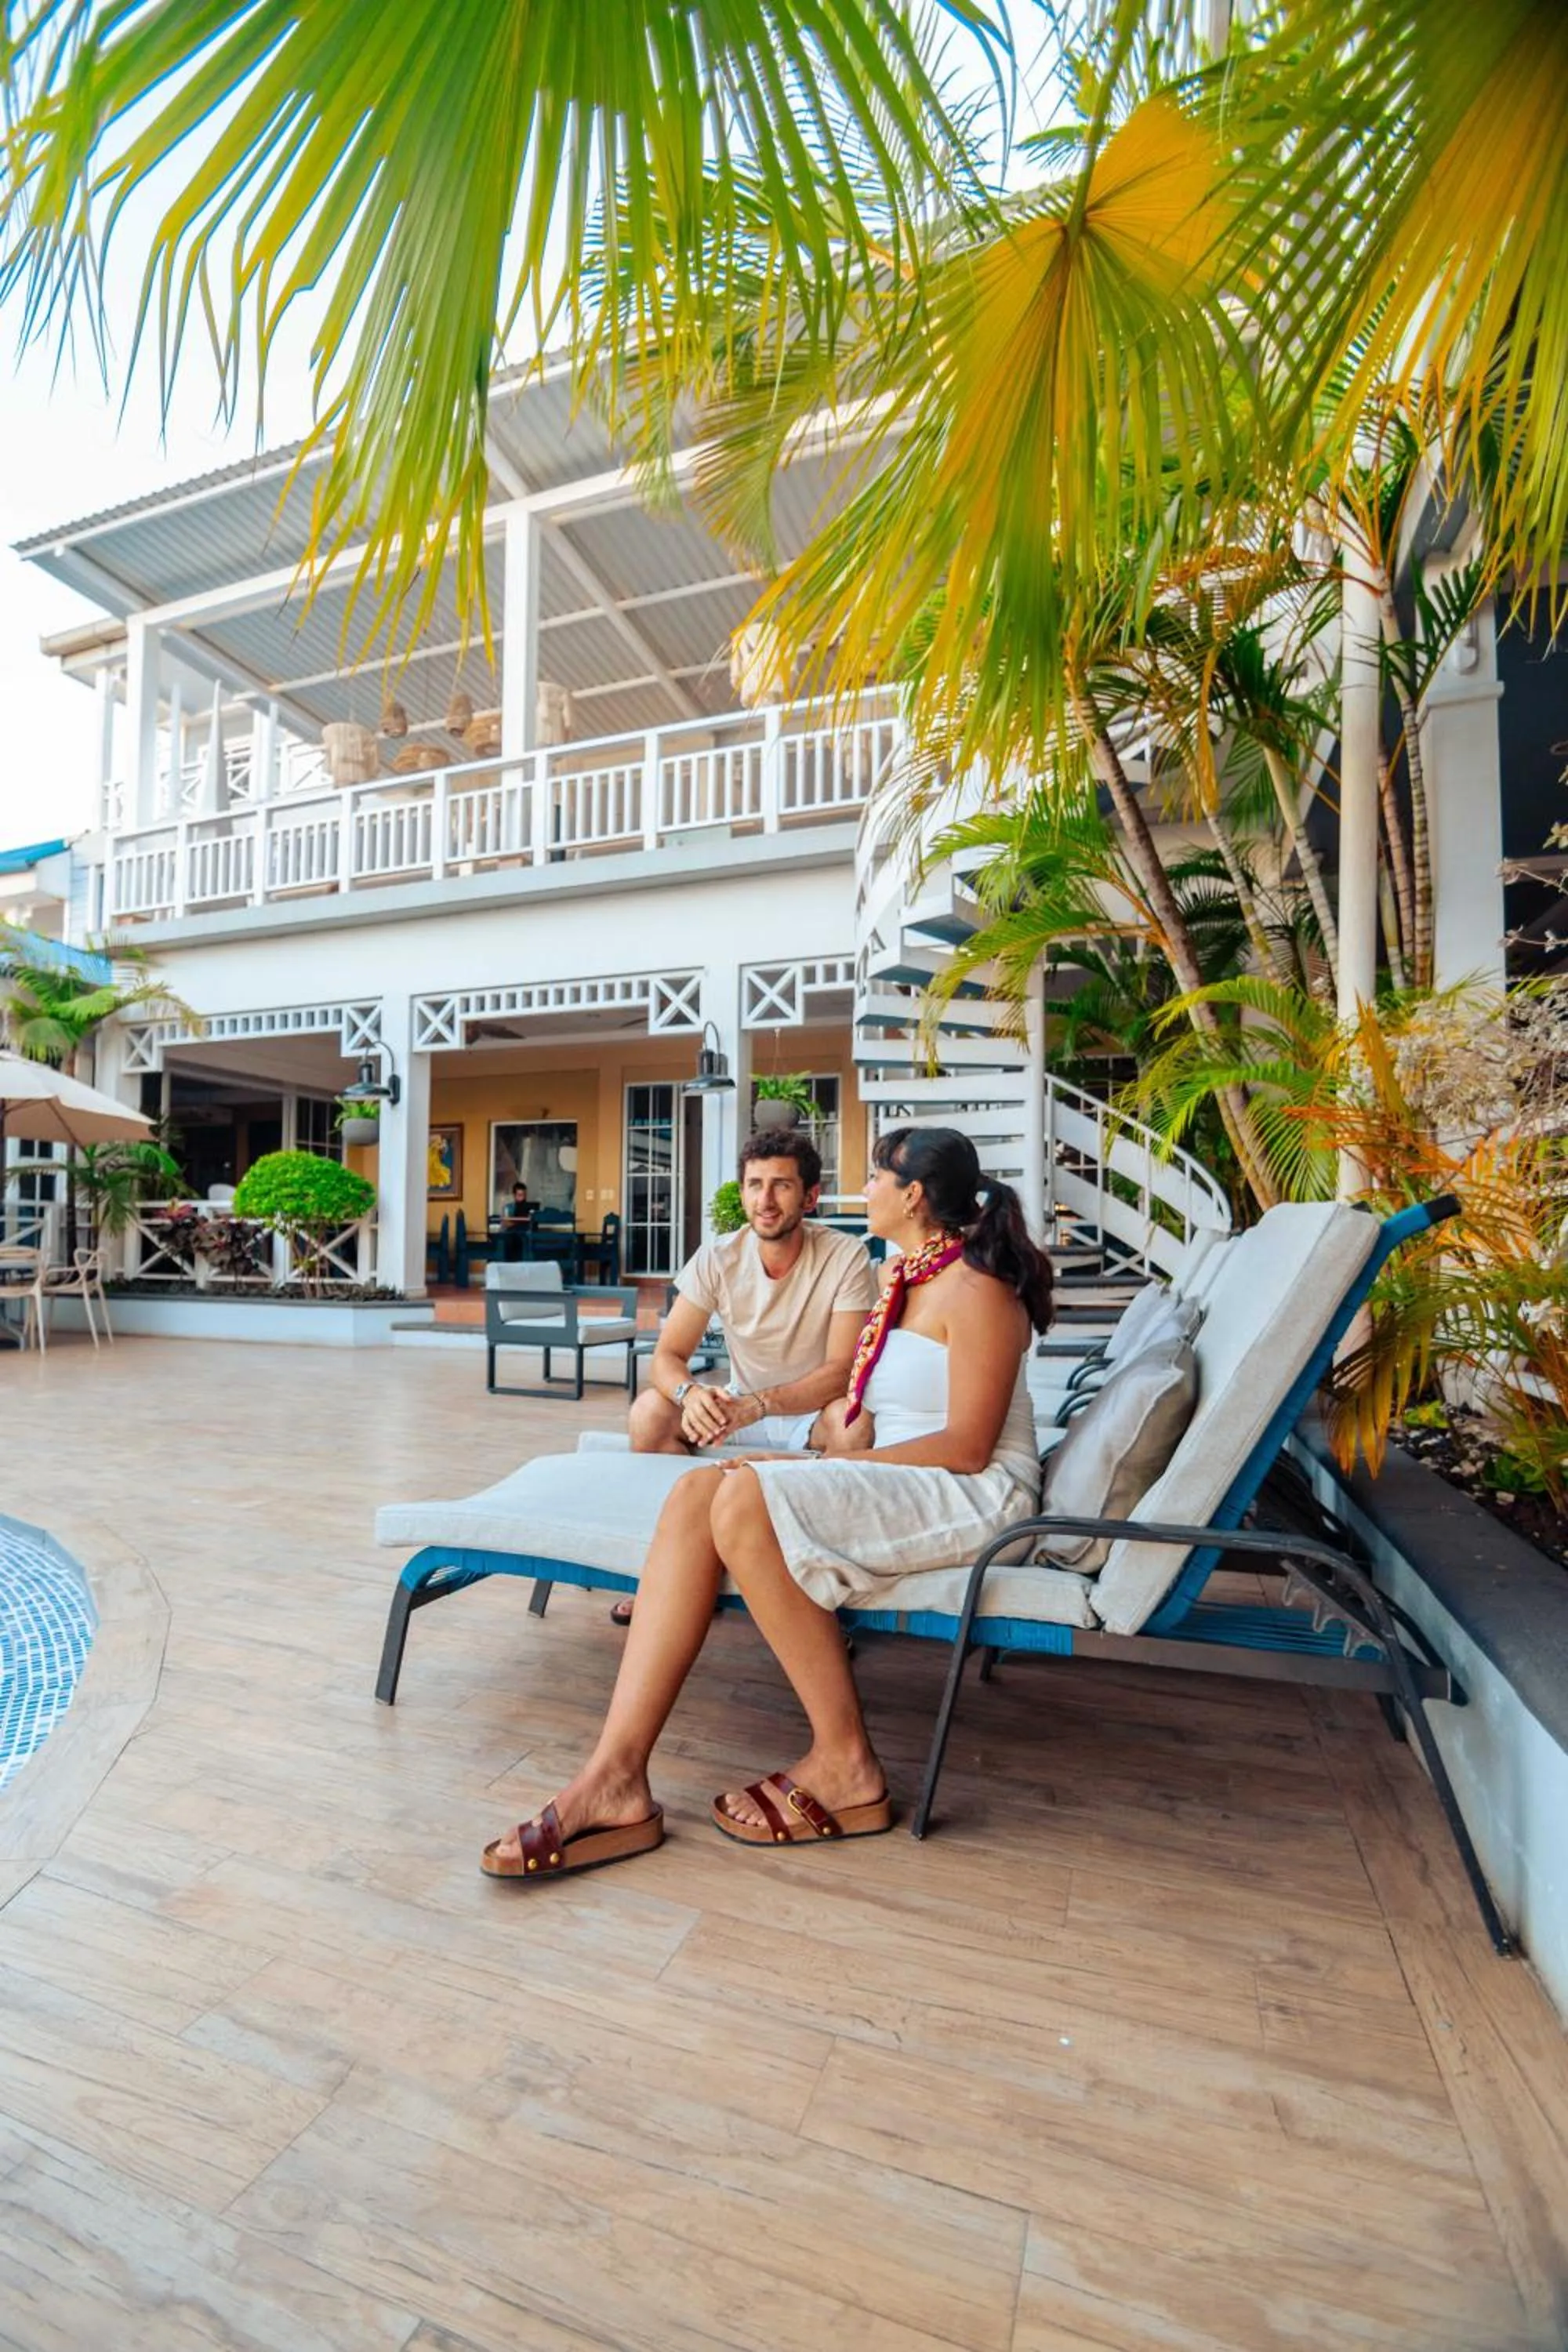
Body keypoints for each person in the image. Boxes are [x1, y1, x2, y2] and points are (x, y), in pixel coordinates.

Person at [481, 1124, 1052, 1881]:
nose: (866, 1190)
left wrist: (804, 1470)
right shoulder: (907, 1280)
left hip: (971, 1492)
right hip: (908, 1476)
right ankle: (614, 1778)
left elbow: (970, 1448)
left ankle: (848, 1762)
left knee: (745, 1495)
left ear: (913, 1196)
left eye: (877, 1177)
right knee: (697, 1489)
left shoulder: (977, 1290)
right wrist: (792, 1462)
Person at [609, 1126, 877, 1624]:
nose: (765, 1200)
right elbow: (667, 1355)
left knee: (853, 1423)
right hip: (740, 1407)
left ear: (811, 1196)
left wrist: (755, 1405)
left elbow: (843, 1372)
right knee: (650, 1411)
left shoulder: (846, 1256)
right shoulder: (719, 1256)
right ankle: (676, 1569)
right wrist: (690, 1395)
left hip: (809, 1414)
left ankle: (817, 1594)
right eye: (754, 1185)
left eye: (781, 1185)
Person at [500, 1180, 533, 1263]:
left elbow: (531, 1224)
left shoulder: (529, 1208)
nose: (522, 1198)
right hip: (511, 1235)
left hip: (524, 1235)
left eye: (524, 1195)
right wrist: (518, 1221)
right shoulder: (509, 1207)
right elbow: (505, 1223)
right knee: (509, 1239)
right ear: (514, 1195)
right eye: (520, 1195)